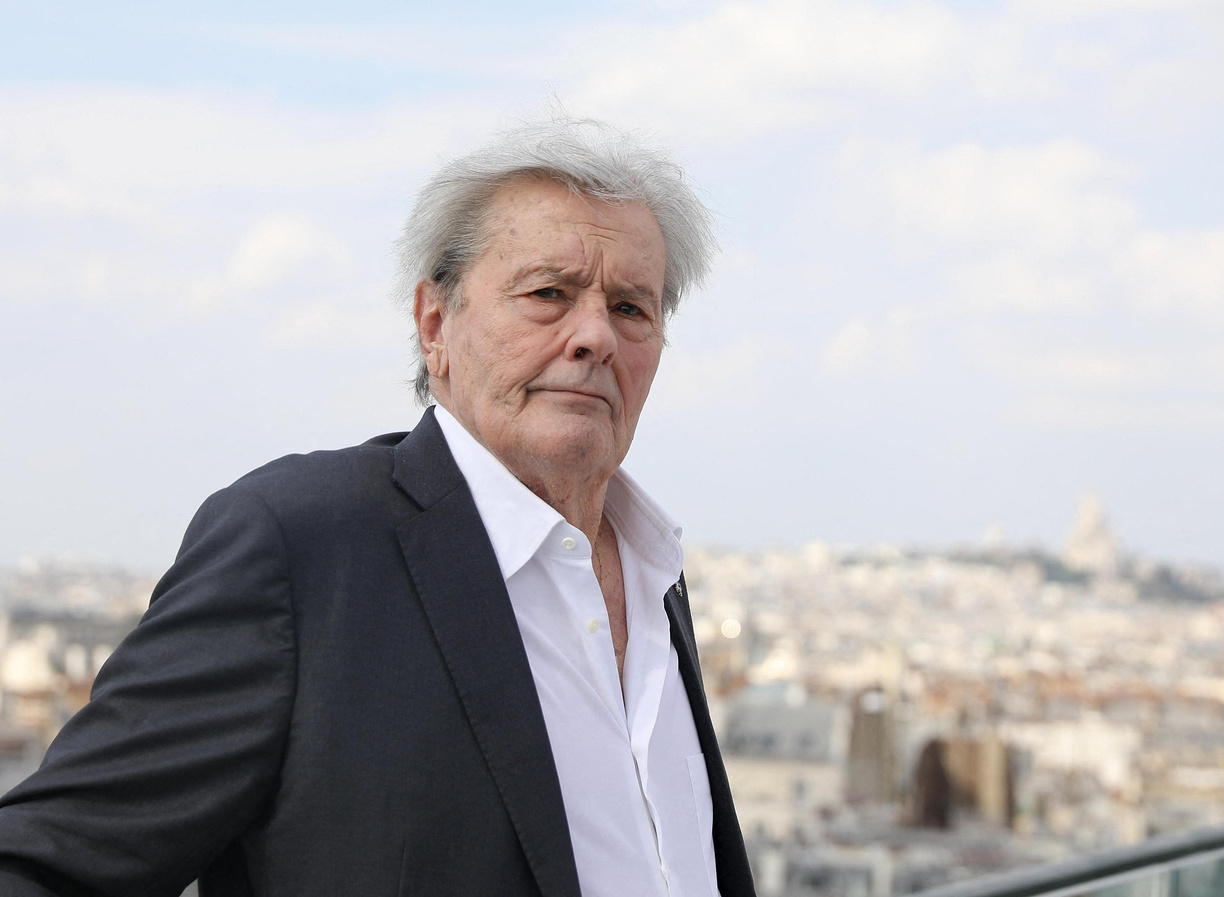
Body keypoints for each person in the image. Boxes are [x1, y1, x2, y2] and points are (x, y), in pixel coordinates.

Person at [0, 116, 755, 897]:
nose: (594, 335)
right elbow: (44, 864)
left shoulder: (652, 575)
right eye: (548, 294)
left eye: (631, 308)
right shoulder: (303, 547)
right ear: (435, 324)